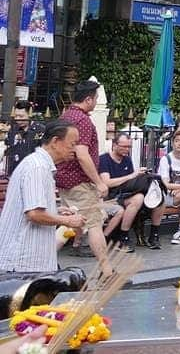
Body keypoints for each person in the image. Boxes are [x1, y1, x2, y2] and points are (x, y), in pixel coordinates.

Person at [0, 120, 86, 273]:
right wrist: (68, 221)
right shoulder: (37, 167)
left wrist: (56, 212)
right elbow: (34, 214)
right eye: (72, 144)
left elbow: (32, 208)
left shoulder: (40, 165)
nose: (75, 149)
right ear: (55, 142)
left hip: (27, 261)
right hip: (22, 262)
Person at [55, 81, 110, 272]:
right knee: (94, 224)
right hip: (79, 181)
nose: (96, 102)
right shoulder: (83, 121)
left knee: (71, 221)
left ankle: (45, 262)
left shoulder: (66, 116)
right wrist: (98, 182)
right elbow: (82, 154)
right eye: (95, 99)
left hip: (63, 178)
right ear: (88, 99)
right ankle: (106, 271)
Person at [99, 132, 165, 251]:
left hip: (125, 194)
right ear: (114, 145)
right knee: (138, 198)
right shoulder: (104, 159)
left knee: (159, 197)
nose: (126, 149)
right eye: (123, 146)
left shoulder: (127, 160)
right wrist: (131, 176)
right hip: (111, 196)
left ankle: (154, 234)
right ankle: (123, 236)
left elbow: (131, 181)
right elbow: (106, 183)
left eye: (128, 147)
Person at [158, 130, 180, 244]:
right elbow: (167, 184)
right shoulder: (166, 159)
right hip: (168, 196)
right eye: (177, 141)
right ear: (172, 143)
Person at [5, 102, 44, 177]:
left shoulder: (39, 130)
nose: (18, 119)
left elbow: (40, 146)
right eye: (16, 116)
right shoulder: (13, 129)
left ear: (30, 114)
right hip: (13, 171)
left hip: (32, 172)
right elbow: (8, 146)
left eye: (21, 116)